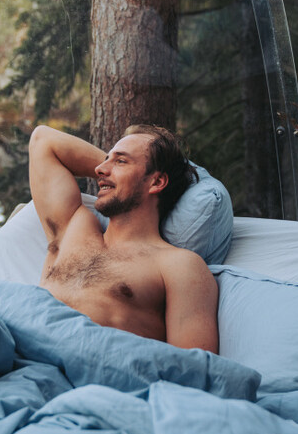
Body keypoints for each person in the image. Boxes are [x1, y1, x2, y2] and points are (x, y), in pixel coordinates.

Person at [28, 123, 219, 353]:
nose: (99, 169)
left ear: (157, 182)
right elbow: (43, 140)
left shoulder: (179, 265)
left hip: (88, 370)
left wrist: (131, 176)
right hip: (18, 358)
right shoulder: (73, 228)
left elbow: (193, 366)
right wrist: (119, 174)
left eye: (120, 161)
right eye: (105, 160)